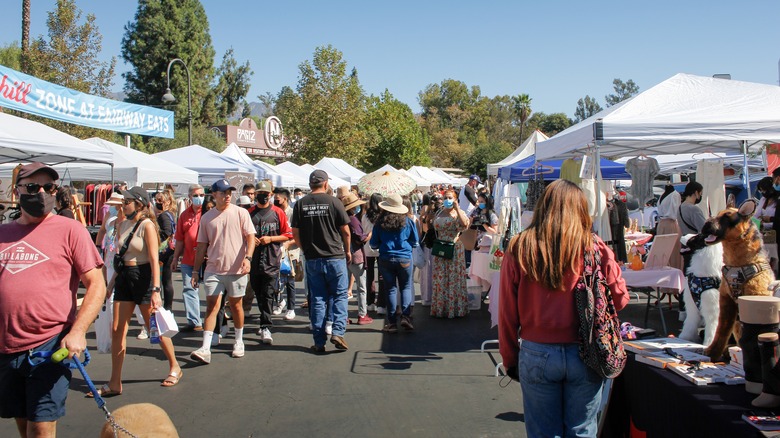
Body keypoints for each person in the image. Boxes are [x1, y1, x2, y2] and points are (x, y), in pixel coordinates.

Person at [499, 179, 629, 438]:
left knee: (543, 433)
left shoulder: (519, 246)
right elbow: (620, 299)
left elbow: (506, 311)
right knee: (581, 431)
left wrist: (510, 358)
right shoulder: (594, 247)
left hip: (536, 352)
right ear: (581, 209)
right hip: (588, 350)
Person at [0, 163, 105, 437]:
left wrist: (79, 331)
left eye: (49, 187)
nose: (42, 193)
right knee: (22, 419)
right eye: (33, 187)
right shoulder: (2, 233)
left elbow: (96, 283)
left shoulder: (71, 230)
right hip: (6, 348)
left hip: (49, 345)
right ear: (17, 192)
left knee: (41, 427)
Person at [98, 186, 182, 397]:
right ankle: (115, 381)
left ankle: (174, 366)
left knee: (154, 326)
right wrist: (110, 284)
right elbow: (120, 257)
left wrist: (156, 290)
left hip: (143, 277)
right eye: (122, 202)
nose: (123, 205)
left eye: (126, 202)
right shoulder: (122, 223)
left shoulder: (147, 226)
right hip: (124, 277)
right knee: (118, 329)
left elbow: (155, 260)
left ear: (139, 204)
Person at [190, 180, 256, 364]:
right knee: (212, 305)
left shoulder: (241, 213)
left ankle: (238, 340)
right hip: (213, 268)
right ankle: (205, 347)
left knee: (236, 305)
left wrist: (248, 258)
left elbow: (251, 237)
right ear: (214, 194)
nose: (227, 196)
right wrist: (196, 271)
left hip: (237, 269)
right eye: (223, 192)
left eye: (229, 192)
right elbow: (201, 246)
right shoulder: (206, 218)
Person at [291, 170, 351, 353]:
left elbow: (295, 233)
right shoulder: (334, 202)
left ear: (311, 184)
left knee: (317, 299)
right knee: (340, 295)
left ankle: (319, 341)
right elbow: (346, 231)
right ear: (325, 184)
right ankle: (338, 332)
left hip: (313, 258)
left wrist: (305, 249)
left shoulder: (300, 204)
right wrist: (347, 250)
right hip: (334, 256)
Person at [247, 180, 292, 345]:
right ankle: (263, 317)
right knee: (258, 292)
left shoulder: (278, 213)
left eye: (266, 194)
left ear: (271, 195)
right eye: (260, 194)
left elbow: (288, 234)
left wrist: (270, 239)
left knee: (268, 293)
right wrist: (252, 240)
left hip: (272, 258)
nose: (263, 196)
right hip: (253, 259)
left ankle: (266, 325)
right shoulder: (249, 213)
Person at [370, 194, 419, 332]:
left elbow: (373, 244)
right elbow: (415, 242)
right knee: (405, 287)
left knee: (390, 289)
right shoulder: (408, 221)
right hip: (404, 258)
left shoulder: (380, 222)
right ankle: (406, 317)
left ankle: (391, 323)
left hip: (386, 258)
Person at [171, 184, 206, 331]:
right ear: (190, 197)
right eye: (196, 195)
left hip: (207, 259)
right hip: (188, 259)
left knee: (212, 291)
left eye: (202, 195)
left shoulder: (209, 212)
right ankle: (194, 321)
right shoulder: (184, 215)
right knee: (189, 289)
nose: (199, 198)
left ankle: (214, 324)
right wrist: (175, 258)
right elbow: (179, 239)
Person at [431, 189, 470, 318]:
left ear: (455, 199)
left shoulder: (459, 213)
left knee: (454, 278)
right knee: (441, 277)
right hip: (441, 248)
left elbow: (464, 224)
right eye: (446, 197)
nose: (447, 200)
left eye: (450, 198)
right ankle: (441, 308)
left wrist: (457, 209)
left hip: (454, 247)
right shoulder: (439, 212)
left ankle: (455, 308)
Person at [342, 192, 373, 325]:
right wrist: (370, 234)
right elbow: (361, 238)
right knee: (361, 286)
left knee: (343, 287)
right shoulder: (353, 220)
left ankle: (343, 315)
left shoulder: (343, 219)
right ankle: (362, 314)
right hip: (356, 255)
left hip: (345, 254)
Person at [362, 193, 386, 314]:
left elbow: (363, 230)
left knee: (369, 276)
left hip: (367, 248)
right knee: (382, 277)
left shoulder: (365, 216)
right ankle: (381, 304)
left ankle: (370, 302)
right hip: (381, 248)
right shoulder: (383, 216)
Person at [155, 190, 177, 311]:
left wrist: (156, 238)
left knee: (164, 280)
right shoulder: (169, 214)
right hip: (169, 250)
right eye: (157, 200)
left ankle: (167, 308)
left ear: (168, 202)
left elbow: (167, 231)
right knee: (166, 281)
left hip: (164, 251)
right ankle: (168, 308)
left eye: (160, 201)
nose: (157, 203)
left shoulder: (164, 215)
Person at [419, 193, 443, 306]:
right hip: (434, 245)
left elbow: (422, 231)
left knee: (428, 272)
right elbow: (425, 229)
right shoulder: (431, 214)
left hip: (429, 245)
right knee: (434, 271)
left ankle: (429, 296)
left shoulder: (426, 215)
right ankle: (433, 296)